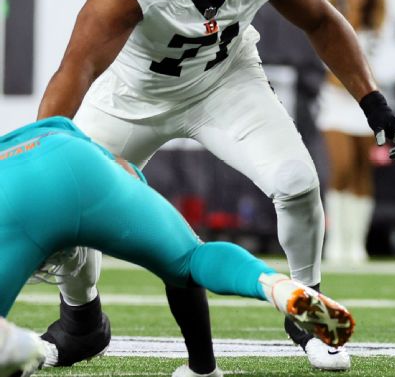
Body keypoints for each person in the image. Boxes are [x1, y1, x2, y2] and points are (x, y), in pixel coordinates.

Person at [36, 0, 395, 375]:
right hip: (132, 96)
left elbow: (321, 20)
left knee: (298, 181)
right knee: (65, 204)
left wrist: (373, 102)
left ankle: (307, 309)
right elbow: (78, 65)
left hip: (224, 81)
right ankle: (82, 321)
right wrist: (44, 148)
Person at [0, 117, 354, 365]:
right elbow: (89, 146)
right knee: (191, 259)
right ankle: (275, 286)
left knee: (11, 348)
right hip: (77, 157)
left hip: (18, 202)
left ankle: (22, 349)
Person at [319, 0, 387, 266]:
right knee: (342, 168)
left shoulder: (376, 22)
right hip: (335, 103)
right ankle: (336, 241)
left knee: (362, 173)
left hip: (366, 104)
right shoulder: (333, 17)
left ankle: (356, 244)